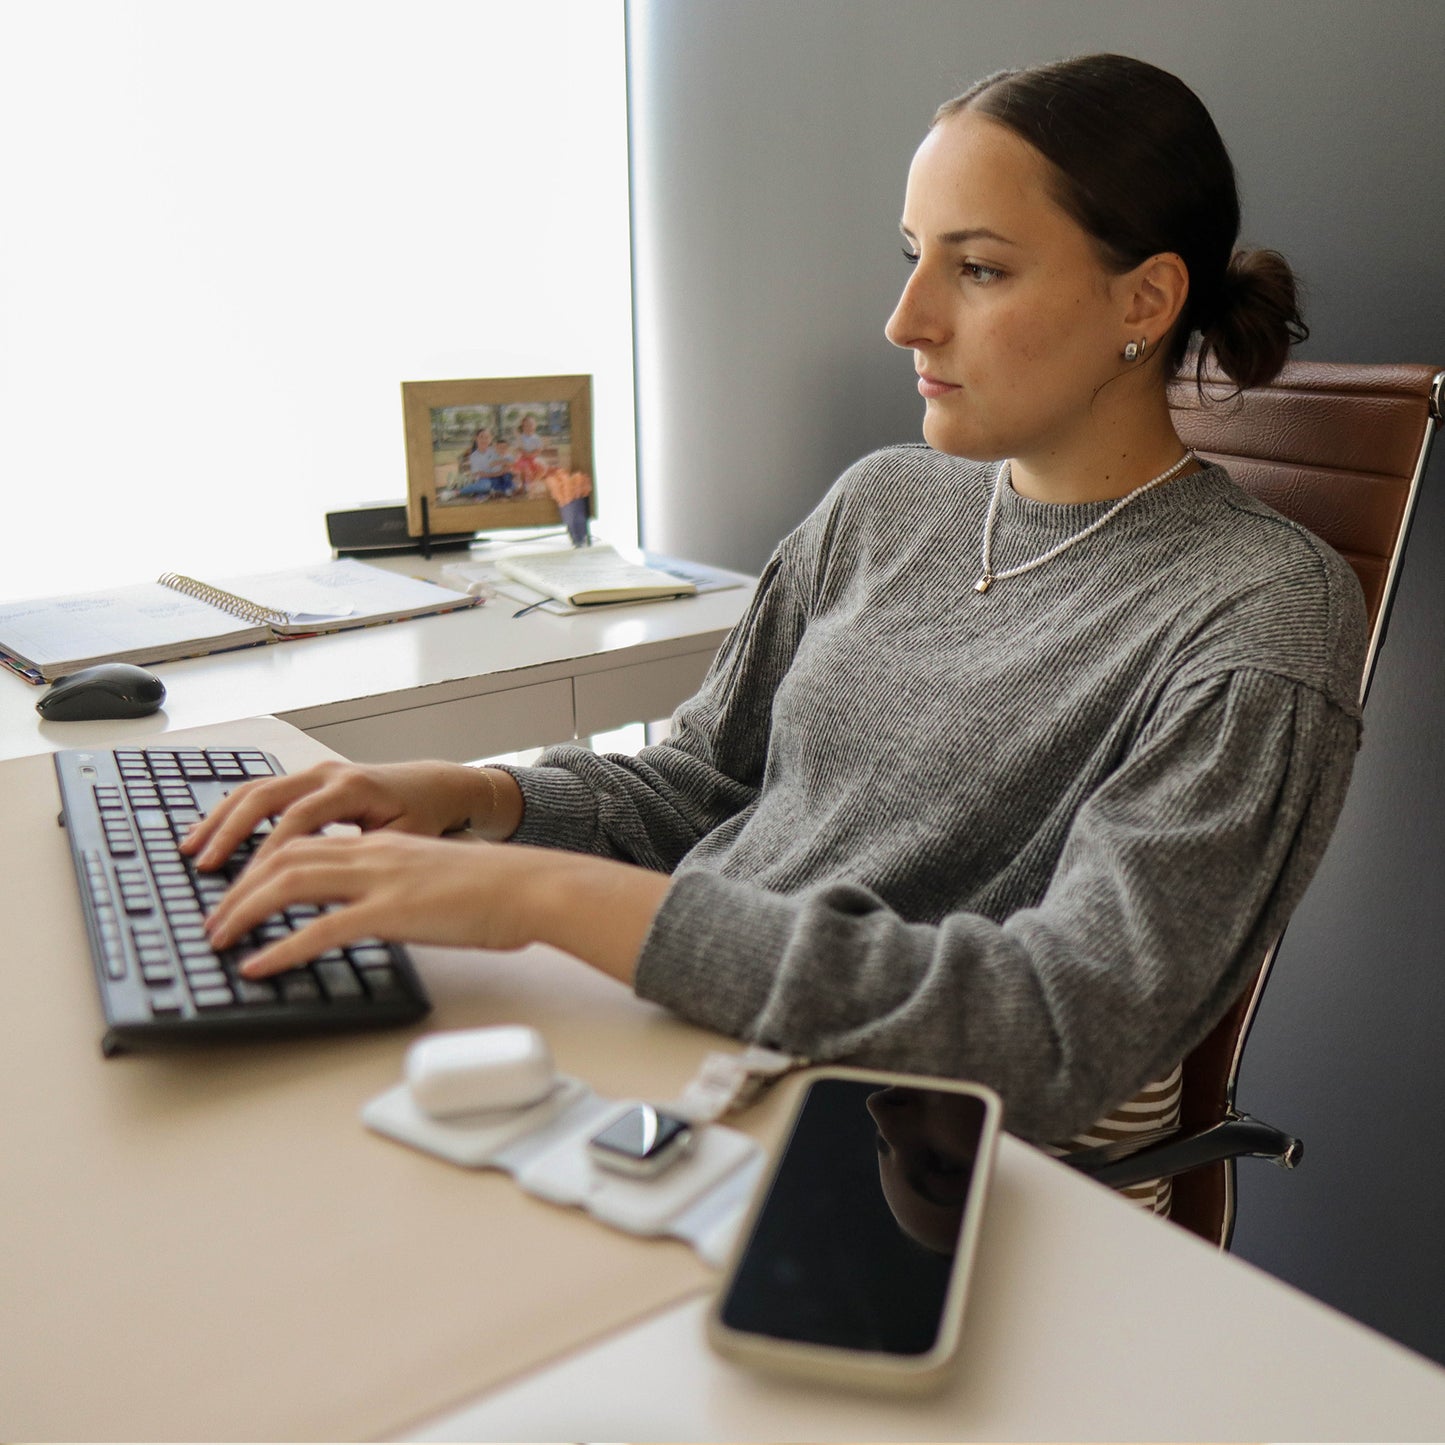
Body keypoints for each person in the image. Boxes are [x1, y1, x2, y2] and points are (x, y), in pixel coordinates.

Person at [185, 54, 1366, 1164]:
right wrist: (477, 796)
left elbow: (1058, 1029)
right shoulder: (883, 498)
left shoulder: (1257, 618)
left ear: (1146, 298)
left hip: (865, 1156)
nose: (905, 320)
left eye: (978, 267)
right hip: (662, 1050)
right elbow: (700, 787)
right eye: (909, 255)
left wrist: (540, 895)